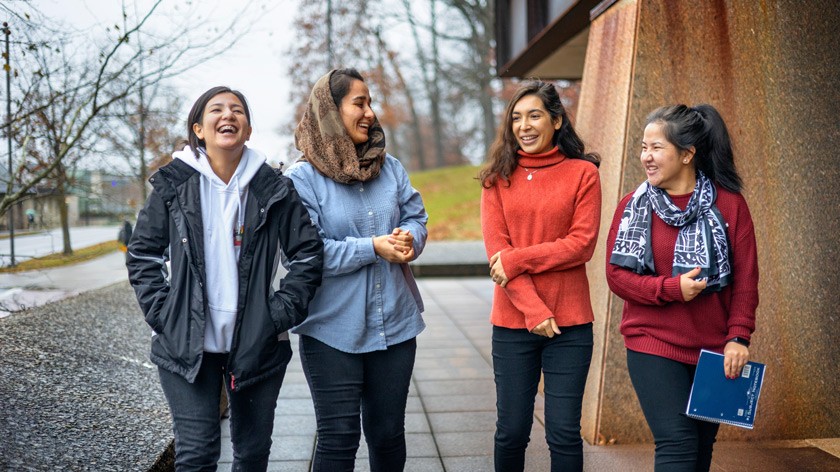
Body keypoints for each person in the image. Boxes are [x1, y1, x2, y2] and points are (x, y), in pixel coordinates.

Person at [126, 86, 324, 471]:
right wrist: (164, 313)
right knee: (197, 454)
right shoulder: (173, 185)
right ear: (199, 128)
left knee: (252, 455)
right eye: (216, 109)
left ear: (248, 130)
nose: (228, 115)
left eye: (237, 110)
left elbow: (308, 253)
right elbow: (142, 254)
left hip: (257, 342)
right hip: (185, 343)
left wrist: (276, 315)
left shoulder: (273, 187)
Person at [285, 68, 428, 472]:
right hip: (332, 332)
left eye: (370, 102)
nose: (370, 112)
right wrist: (374, 247)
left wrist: (408, 239)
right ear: (330, 111)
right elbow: (305, 253)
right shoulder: (302, 179)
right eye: (359, 103)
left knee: (388, 435)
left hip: (395, 328)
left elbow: (417, 217)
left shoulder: (391, 168)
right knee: (338, 439)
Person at [606, 104, 759, 471]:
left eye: (656, 148)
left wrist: (738, 336)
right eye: (644, 147)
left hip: (713, 350)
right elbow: (617, 277)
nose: (646, 157)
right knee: (677, 443)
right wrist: (671, 288)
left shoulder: (730, 205)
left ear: (687, 154)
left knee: (701, 451)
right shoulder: (633, 206)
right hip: (652, 342)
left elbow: (746, 279)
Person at [479, 80, 602, 472]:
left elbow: (581, 244)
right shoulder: (496, 178)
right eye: (516, 117)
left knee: (563, 433)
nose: (524, 125)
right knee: (511, 431)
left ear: (557, 120)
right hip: (513, 323)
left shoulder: (583, 174)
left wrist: (518, 259)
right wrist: (534, 310)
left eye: (534, 115)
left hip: (571, 324)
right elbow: (498, 256)